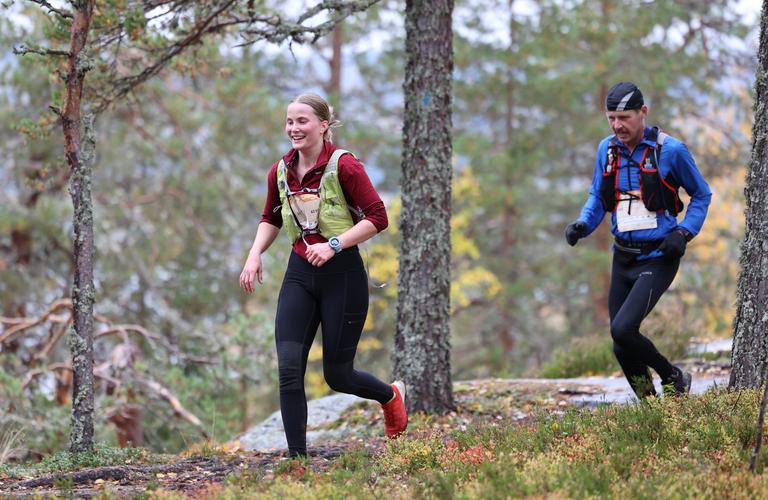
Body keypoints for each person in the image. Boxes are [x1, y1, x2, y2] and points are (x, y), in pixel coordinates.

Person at [239, 93, 407, 456]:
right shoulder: (280, 170)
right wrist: (254, 255)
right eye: (289, 121)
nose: (294, 128)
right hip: (300, 274)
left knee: (338, 375)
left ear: (323, 125)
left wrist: (333, 244)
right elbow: (270, 217)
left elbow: (378, 217)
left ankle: (390, 396)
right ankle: (297, 461)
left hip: (342, 276)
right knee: (288, 369)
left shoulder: (344, 166)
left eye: (303, 121)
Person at [565, 82, 711, 398]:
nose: (618, 125)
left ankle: (673, 376)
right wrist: (582, 224)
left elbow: (702, 194)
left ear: (643, 112)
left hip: (659, 255)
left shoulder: (670, 150)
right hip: (624, 257)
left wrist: (683, 232)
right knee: (621, 345)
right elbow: (598, 196)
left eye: (625, 117)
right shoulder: (607, 150)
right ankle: (651, 410)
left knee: (622, 329)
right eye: (611, 118)